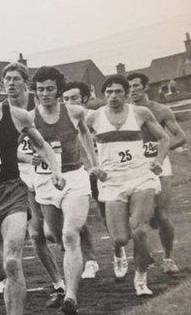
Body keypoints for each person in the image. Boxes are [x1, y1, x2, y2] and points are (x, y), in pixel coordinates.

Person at [0, 64, 64, 315]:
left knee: (12, 260)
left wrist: (55, 170)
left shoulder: (17, 115)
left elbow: (42, 146)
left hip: (11, 192)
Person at [85, 75, 170, 296]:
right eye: (109, 92)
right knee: (121, 237)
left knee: (140, 230)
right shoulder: (94, 116)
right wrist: (92, 165)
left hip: (140, 176)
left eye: (118, 91)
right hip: (112, 181)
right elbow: (78, 139)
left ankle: (141, 278)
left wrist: (159, 160)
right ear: (104, 95)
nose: (113, 96)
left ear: (126, 92)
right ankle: (118, 251)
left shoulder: (140, 113)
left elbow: (164, 139)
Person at [31, 67, 103, 314]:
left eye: (50, 88)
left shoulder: (74, 112)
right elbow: (13, 149)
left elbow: (86, 133)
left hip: (74, 178)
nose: (45, 94)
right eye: (40, 89)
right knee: (54, 235)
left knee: (70, 234)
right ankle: (74, 263)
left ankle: (70, 296)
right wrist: (29, 157)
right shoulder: (29, 118)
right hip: (44, 182)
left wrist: (94, 164)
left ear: (58, 90)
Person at [0, 62, 66, 306]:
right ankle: (59, 282)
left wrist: (54, 163)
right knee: (36, 233)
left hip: (48, 170)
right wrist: (26, 157)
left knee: (57, 232)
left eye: (16, 79)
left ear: (26, 84)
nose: (11, 84)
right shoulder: (0, 111)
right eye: (7, 80)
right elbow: (2, 151)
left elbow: (52, 139)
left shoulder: (38, 105)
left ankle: (77, 256)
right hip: (21, 176)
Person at [128, 72, 188, 274]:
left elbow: (180, 137)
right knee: (137, 217)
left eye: (136, 86)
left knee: (161, 215)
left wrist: (161, 151)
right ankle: (145, 255)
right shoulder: (125, 112)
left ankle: (169, 257)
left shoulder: (160, 110)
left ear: (145, 87)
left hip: (160, 165)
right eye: (129, 87)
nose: (132, 91)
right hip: (135, 166)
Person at [62, 81, 109, 280]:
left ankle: (119, 251)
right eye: (65, 99)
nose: (69, 102)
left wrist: (97, 163)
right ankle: (90, 260)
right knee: (78, 222)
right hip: (79, 173)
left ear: (85, 98)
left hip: (101, 169)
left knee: (107, 213)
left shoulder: (94, 116)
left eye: (74, 98)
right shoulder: (63, 118)